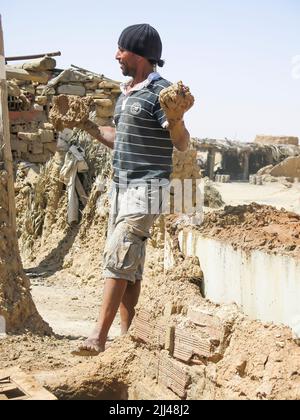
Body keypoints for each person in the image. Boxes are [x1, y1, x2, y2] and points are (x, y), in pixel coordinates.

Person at [74, 23, 193, 355]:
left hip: (148, 186)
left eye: (120, 50)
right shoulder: (125, 94)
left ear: (138, 54)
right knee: (132, 262)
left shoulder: (163, 93)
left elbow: (181, 144)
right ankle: (128, 339)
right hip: (120, 188)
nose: (116, 55)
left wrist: (179, 118)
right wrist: (85, 124)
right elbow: (118, 140)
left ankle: (98, 336)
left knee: (120, 251)